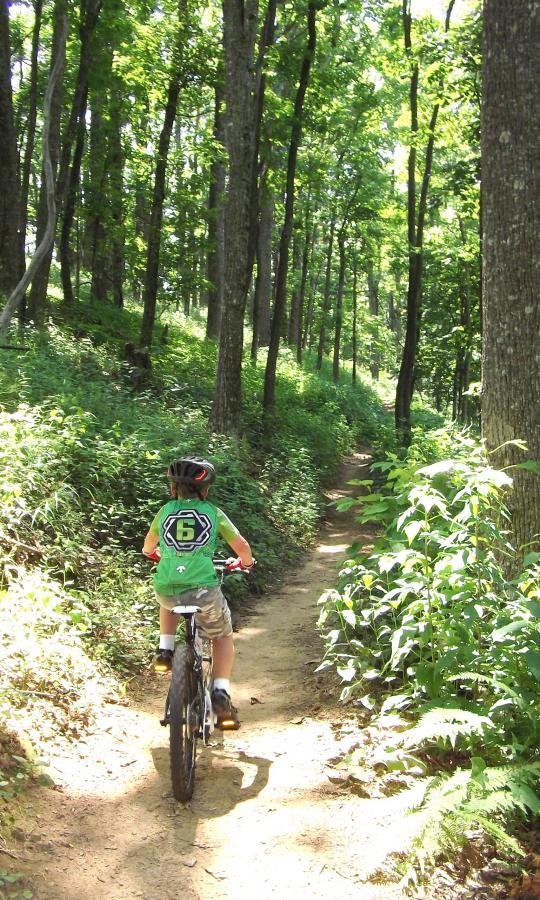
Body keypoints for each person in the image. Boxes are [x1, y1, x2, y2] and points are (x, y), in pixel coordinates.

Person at [142, 455, 254, 729]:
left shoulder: (165, 511)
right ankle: (220, 693)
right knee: (222, 635)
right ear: (205, 490)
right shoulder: (213, 513)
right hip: (203, 587)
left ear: (172, 489)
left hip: (166, 586)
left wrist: (154, 554)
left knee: (168, 599)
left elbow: (147, 546)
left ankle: (165, 650)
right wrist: (246, 562)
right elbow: (241, 547)